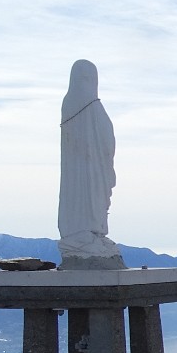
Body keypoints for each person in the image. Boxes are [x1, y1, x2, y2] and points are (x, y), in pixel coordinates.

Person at [57, 59, 125, 269]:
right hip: (93, 169)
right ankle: (90, 232)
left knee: (81, 199)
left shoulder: (70, 104)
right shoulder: (92, 107)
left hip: (77, 171)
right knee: (93, 198)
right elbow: (106, 142)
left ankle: (85, 232)